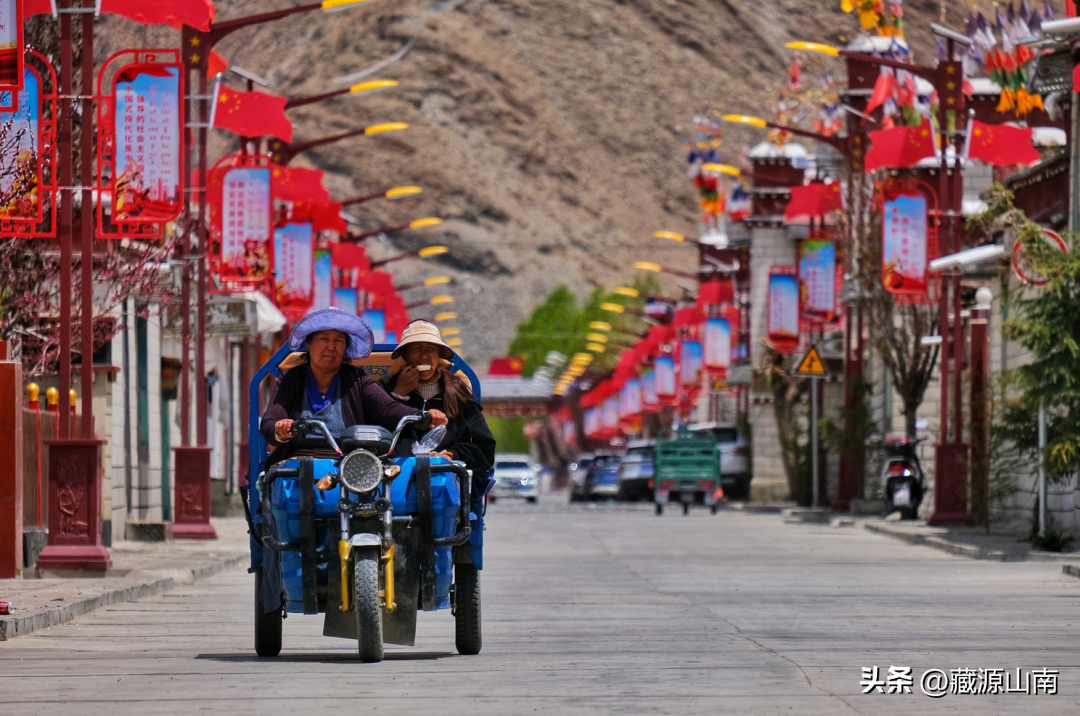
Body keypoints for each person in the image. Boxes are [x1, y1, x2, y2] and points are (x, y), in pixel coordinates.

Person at [260, 307, 447, 450]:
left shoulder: (357, 380)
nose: (331, 347)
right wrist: (281, 429)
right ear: (309, 344)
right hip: (296, 466)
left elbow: (387, 409)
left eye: (338, 340)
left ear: (345, 348)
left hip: (348, 468)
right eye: (324, 339)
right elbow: (269, 423)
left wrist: (421, 415)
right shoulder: (291, 378)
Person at [381, 320, 496, 478]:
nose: (424, 356)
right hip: (394, 482)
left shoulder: (457, 392)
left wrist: (449, 456)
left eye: (430, 348)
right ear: (405, 355)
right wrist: (398, 395)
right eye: (415, 348)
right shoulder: (384, 388)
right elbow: (374, 437)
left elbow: (483, 447)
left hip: (445, 484)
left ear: (439, 354)